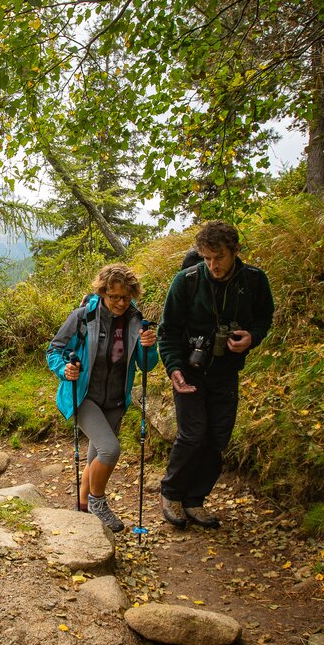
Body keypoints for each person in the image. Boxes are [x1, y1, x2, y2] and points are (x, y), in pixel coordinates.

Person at [157, 221, 274, 529]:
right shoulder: (187, 281)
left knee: (216, 439)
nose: (213, 265)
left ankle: (195, 500)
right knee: (193, 435)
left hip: (226, 372)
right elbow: (167, 332)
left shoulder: (254, 281)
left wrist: (252, 337)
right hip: (190, 371)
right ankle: (171, 494)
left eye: (218, 257)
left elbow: (264, 317)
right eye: (206, 258)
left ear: (235, 251)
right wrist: (174, 369)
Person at [47, 264, 159, 533]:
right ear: (103, 293)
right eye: (114, 297)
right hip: (84, 396)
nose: (121, 303)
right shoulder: (83, 317)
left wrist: (149, 347)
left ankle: (83, 508)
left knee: (95, 458)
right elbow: (55, 350)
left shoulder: (136, 320)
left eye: (126, 297)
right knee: (110, 450)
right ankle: (98, 502)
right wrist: (65, 369)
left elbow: (147, 365)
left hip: (116, 401)